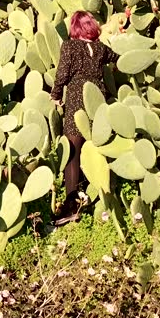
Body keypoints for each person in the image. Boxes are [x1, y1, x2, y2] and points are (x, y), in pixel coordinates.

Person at [49, 11, 118, 226]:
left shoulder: (70, 46)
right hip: (97, 99)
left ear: (74, 28)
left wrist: (56, 95)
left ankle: (71, 208)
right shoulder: (100, 48)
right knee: (93, 148)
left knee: (73, 152)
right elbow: (119, 58)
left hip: (78, 97)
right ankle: (97, 199)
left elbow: (62, 73)